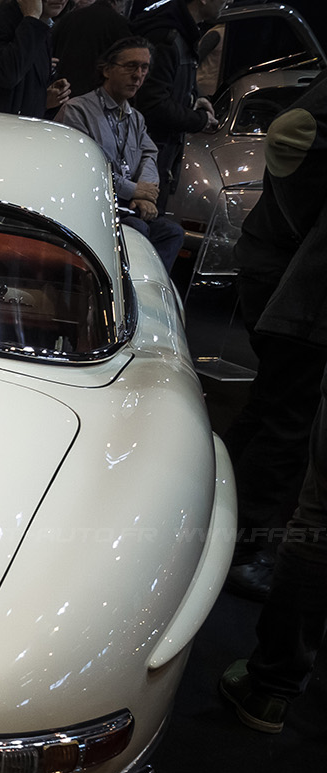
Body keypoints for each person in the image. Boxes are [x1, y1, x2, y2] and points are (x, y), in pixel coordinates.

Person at [217, 73, 327, 732]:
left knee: (278, 411)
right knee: (288, 417)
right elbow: (292, 135)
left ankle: (233, 529)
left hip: (297, 280)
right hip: (299, 286)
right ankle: (246, 541)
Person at [54, 36, 184, 272]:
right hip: (92, 206)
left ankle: (145, 294)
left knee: (172, 233)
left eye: (144, 68)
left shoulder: (135, 117)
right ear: (106, 70)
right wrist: (132, 190)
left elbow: (149, 155)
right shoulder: (78, 110)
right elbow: (82, 169)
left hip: (127, 206)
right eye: (131, 66)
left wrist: (145, 192)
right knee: (137, 229)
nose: (138, 75)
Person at [131, 0, 223, 211]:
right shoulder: (169, 37)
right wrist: (199, 120)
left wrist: (192, 100)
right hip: (148, 156)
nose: (229, 2)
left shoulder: (182, 34)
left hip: (158, 153)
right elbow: (153, 104)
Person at [0, 0, 69, 118]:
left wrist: (43, 98)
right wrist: (32, 19)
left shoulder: (40, 27)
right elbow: (7, 74)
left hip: (18, 130)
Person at [52, 0, 131, 97]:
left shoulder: (69, 18)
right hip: (95, 93)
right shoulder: (119, 23)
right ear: (117, 3)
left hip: (63, 89)